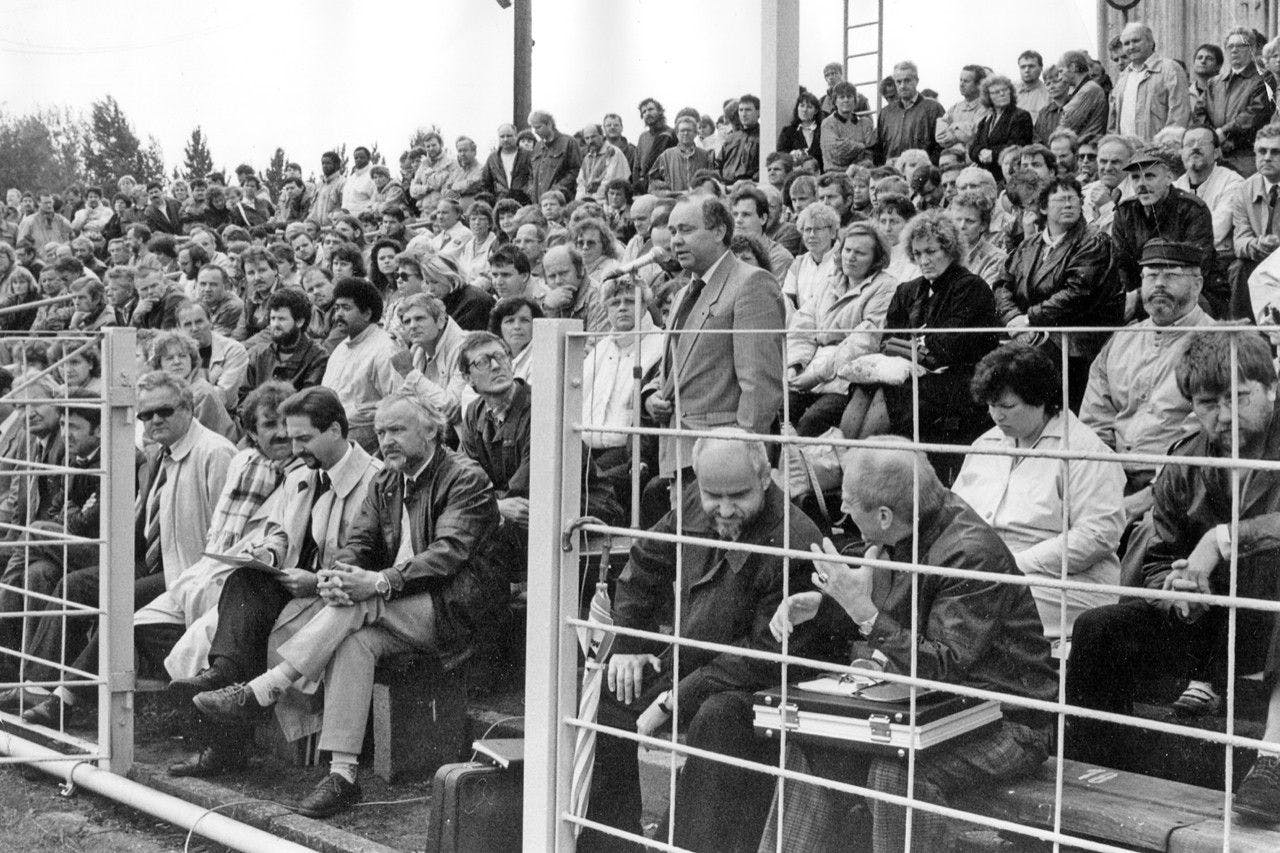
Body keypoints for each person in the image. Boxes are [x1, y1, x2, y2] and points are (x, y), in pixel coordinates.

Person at [191, 390, 500, 819]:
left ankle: (265, 688)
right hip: (401, 607)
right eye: (379, 432)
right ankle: (343, 775)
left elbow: (448, 553)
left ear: (431, 430)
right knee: (355, 640)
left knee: (359, 606)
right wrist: (339, 578)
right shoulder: (388, 480)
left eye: (397, 430)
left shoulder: (465, 477)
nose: (386, 440)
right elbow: (358, 544)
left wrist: (378, 581)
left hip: (457, 611)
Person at [762, 438, 1056, 853]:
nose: (842, 512)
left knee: (895, 772)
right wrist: (826, 606)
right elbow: (899, 617)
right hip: (940, 709)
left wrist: (860, 608)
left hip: (1010, 720)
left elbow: (942, 664)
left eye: (848, 504)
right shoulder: (909, 524)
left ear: (884, 515)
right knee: (808, 749)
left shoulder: (970, 555)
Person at [1066, 330, 1280, 824]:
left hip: (1273, 626)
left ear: (1271, 387)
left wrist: (1223, 539)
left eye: (1238, 397)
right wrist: (1177, 589)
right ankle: (1091, 779)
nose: (1224, 417)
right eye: (1207, 403)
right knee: (1099, 629)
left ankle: (1271, 762)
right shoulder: (1186, 460)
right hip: (1214, 626)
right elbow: (1156, 557)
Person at [580, 431, 825, 853]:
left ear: (766, 479)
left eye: (738, 496)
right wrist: (628, 645)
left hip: (756, 686)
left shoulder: (796, 539)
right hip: (692, 664)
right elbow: (645, 562)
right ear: (698, 482)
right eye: (714, 494)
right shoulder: (694, 500)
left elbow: (765, 656)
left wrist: (673, 699)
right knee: (602, 695)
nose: (725, 509)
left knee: (718, 718)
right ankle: (614, 844)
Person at [162, 386, 383, 777]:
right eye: (292, 437)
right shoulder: (306, 474)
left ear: (335, 430)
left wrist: (315, 581)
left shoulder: (373, 481)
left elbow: (370, 559)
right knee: (245, 581)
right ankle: (226, 678)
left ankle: (226, 733)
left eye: (304, 438)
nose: (295, 447)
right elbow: (284, 529)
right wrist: (269, 555)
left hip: (336, 594)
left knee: (242, 628)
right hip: (297, 582)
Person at [15, 372, 235, 725]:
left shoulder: (215, 453)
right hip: (152, 560)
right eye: (146, 415)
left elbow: (226, 533)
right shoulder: (160, 453)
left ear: (189, 407)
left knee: (119, 603)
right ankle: (40, 685)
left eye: (163, 411)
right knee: (72, 585)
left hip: (190, 571)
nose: (154, 420)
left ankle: (65, 700)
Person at [952, 344, 1125, 638]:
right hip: (986, 571)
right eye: (991, 405)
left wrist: (1013, 565)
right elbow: (956, 512)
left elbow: (1098, 534)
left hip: (1060, 582)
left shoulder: (1083, 449)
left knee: (972, 603)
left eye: (1007, 407)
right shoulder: (987, 444)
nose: (997, 416)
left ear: (1041, 400)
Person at [843, 210, 998, 483]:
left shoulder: (971, 287)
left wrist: (913, 346)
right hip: (912, 371)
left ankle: (862, 478)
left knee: (887, 393)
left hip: (959, 379)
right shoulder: (908, 290)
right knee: (866, 387)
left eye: (931, 251)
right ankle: (847, 471)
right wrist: (917, 345)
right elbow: (888, 342)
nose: (924, 260)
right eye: (918, 253)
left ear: (950, 250)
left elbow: (947, 348)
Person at [643, 196, 785, 481]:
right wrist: (652, 396)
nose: (676, 241)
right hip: (679, 453)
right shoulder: (684, 292)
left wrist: (742, 458)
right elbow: (676, 366)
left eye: (686, 230)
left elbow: (759, 387)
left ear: (719, 232)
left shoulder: (752, 284)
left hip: (724, 461)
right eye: (672, 232)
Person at [1080, 239, 1215, 524]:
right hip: (1111, 478)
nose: (1159, 285)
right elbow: (1095, 420)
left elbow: (1202, 438)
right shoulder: (1123, 338)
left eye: (1171, 275)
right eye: (1151, 275)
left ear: (1198, 283)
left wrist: (1149, 496)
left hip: (1179, 488)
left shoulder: (1215, 341)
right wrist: (1102, 483)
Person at [994, 177, 1121, 410]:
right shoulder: (1028, 245)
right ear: (1043, 207)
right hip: (1035, 337)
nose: (1069, 205)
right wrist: (1012, 317)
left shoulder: (1094, 242)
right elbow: (1003, 284)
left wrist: (1029, 319)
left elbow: (1077, 292)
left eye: (1073, 199)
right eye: (1060, 200)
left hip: (1076, 345)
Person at [787, 221, 898, 437]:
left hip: (847, 378)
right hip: (808, 369)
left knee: (811, 422)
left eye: (860, 253)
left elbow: (865, 340)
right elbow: (803, 325)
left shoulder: (885, 286)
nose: (850, 257)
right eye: (847, 250)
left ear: (876, 259)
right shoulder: (830, 282)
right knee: (779, 410)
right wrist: (795, 365)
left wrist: (817, 374)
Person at [1111, 144, 1215, 321]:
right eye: (1135, 178)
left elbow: (1195, 266)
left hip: (1187, 290)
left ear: (1168, 178)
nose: (1141, 184)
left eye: (1150, 176)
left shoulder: (1193, 209)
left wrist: (1140, 294)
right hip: (1141, 293)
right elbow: (1120, 264)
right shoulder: (1125, 211)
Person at [319, 277, 402, 453]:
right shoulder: (340, 348)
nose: (338, 315)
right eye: (337, 308)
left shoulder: (385, 348)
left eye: (346, 308)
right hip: (331, 432)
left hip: (366, 440)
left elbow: (397, 405)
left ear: (367, 313)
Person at [1175, 127, 1243, 319]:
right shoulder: (1175, 186)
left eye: (1202, 143)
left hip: (1219, 264)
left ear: (1216, 152)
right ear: (1181, 154)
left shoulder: (1232, 182)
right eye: (1189, 144)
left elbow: (1215, 232)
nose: (1195, 148)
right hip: (1182, 263)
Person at [1193, 27, 1272, 177]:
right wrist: (1211, 138)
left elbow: (1254, 114)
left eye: (1240, 46)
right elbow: (1199, 114)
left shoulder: (1264, 79)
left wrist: (1223, 133)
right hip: (1216, 156)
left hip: (1247, 158)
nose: (1234, 50)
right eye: (1230, 46)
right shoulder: (1214, 83)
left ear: (1252, 49)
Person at [392, 292, 472, 426]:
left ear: (440, 321)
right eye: (407, 321)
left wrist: (410, 374)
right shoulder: (416, 349)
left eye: (420, 318)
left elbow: (451, 409)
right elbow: (402, 401)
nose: (412, 325)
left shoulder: (466, 348)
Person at [1230, 123, 1280, 318]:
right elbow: (1240, 242)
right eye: (1262, 151)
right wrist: (1259, 244)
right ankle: (1242, 334)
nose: (1267, 157)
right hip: (1259, 258)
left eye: (1275, 152)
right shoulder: (1245, 189)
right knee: (1240, 267)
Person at [1107, 23, 1190, 141]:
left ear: (1150, 42)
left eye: (1136, 41)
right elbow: (1113, 121)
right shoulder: (1123, 77)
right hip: (1127, 153)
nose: (1131, 47)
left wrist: (1165, 149)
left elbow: (1179, 116)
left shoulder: (1170, 69)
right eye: (1126, 43)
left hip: (1158, 152)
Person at [243, 288, 329, 395]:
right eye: (273, 318)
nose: (275, 325)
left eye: (282, 319)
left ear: (299, 322)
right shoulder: (258, 354)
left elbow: (308, 402)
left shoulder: (318, 357)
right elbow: (243, 397)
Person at [875, 60, 947, 164]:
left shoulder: (933, 109)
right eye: (898, 82)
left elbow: (942, 146)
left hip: (922, 173)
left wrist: (926, 167)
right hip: (892, 174)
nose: (902, 86)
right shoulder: (885, 113)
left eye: (907, 81)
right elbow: (878, 150)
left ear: (916, 81)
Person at [969, 74, 1034, 183]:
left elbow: (1018, 146)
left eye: (1005, 90)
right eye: (996, 92)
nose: (1002, 94)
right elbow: (972, 148)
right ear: (988, 97)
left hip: (1009, 176)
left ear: (1011, 92)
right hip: (987, 177)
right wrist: (980, 152)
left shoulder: (1020, 115)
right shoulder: (986, 120)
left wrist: (992, 155)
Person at [780, 201, 840, 311]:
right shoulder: (798, 263)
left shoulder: (843, 260)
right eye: (807, 230)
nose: (812, 235)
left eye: (818, 229)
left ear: (832, 232)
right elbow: (787, 302)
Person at [540, 244, 607, 332]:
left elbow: (594, 344)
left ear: (580, 270)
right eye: (552, 276)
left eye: (563, 273)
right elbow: (542, 342)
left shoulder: (599, 297)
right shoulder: (547, 300)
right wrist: (549, 309)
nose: (558, 281)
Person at [729, 187, 793, 279]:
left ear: (763, 218)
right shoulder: (726, 252)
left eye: (746, 214)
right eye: (735, 214)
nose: (738, 220)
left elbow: (767, 291)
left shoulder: (780, 257)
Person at [648, 115, 714, 193]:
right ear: (677, 133)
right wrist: (666, 193)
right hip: (674, 202)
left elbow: (712, 180)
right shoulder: (666, 155)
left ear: (695, 133)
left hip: (698, 201)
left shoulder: (705, 155)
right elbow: (653, 181)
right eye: (682, 130)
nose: (685, 133)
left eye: (689, 130)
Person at [527, 110, 581, 202]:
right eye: (533, 128)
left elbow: (575, 170)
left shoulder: (568, 142)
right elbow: (531, 172)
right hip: (538, 202)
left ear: (549, 124)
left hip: (560, 201)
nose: (535, 131)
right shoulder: (537, 146)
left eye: (538, 127)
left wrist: (557, 189)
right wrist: (531, 188)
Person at [486, 295, 542, 382]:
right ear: (499, 327)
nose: (517, 326)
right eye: (510, 321)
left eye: (524, 320)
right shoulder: (493, 354)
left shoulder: (539, 360)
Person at [820, 82, 873, 171]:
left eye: (849, 96)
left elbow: (870, 154)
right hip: (835, 176)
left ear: (855, 100)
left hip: (860, 174)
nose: (846, 100)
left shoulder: (865, 123)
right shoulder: (828, 123)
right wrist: (861, 146)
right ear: (835, 101)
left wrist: (849, 146)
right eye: (841, 97)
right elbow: (837, 153)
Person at [1058, 50, 1109, 143]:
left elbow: (1066, 123)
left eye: (1061, 71)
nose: (1059, 77)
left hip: (1088, 147)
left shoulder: (1089, 89)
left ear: (1073, 67)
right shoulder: (1085, 88)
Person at [936, 64, 991, 149]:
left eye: (966, 81)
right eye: (960, 80)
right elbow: (940, 134)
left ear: (979, 84)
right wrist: (961, 131)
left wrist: (953, 130)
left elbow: (974, 133)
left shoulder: (986, 108)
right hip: (952, 158)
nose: (961, 84)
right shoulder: (955, 108)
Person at [576, 123, 631, 202]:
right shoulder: (587, 158)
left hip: (608, 202)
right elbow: (580, 183)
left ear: (601, 135)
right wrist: (580, 201)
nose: (590, 141)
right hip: (588, 202)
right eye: (587, 138)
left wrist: (591, 199)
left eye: (593, 137)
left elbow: (611, 181)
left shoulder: (613, 152)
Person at [480, 124, 532, 204]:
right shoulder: (492, 158)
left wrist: (527, 193)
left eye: (509, 136)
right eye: (502, 136)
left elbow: (533, 178)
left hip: (523, 202)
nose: (505, 139)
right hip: (500, 203)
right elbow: (485, 183)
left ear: (516, 136)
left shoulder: (527, 155)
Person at [634, 97, 677, 193]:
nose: (647, 113)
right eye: (644, 112)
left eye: (650, 109)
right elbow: (637, 166)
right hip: (645, 186)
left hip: (665, 186)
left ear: (660, 111)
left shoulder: (670, 134)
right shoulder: (643, 137)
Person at [409, 133, 460, 214]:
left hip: (444, 212)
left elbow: (449, 190)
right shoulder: (423, 165)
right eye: (428, 146)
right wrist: (427, 188)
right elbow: (412, 191)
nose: (431, 148)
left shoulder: (451, 163)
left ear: (441, 144)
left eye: (434, 145)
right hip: (425, 212)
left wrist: (429, 173)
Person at [719, 94, 763, 183]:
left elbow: (765, 167)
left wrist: (752, 181)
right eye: (741, 110)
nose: (744, 114)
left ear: (758, 112)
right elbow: (718, 164)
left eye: (748, 110)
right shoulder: (730, 139)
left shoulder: (763, 138)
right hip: (725, 186)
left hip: (750, 186)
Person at [779, 91, 825, 170]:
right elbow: (780, 155)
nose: (804, 110)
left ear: (816, 111)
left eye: (809, 107)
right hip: (796, 176)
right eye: (802, 106)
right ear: (797, 108)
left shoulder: (823, 130)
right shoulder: (788, 132)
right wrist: (792, 154)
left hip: (820, 176)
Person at [307, 151, 345, 226]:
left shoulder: (343, 183)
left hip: (334, 229)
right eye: (323, 163)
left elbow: (344, 208)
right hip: (318, 230)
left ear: (337, 165)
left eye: (328, 163)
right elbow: (312, 209)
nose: (324, 166)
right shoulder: (319, 185)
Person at [1017, 50, 1052, 122]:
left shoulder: (1049, 93)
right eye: (1023, 67)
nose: (1026, 70)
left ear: (1041, 68)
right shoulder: (1010, 93)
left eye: (1031, 66)